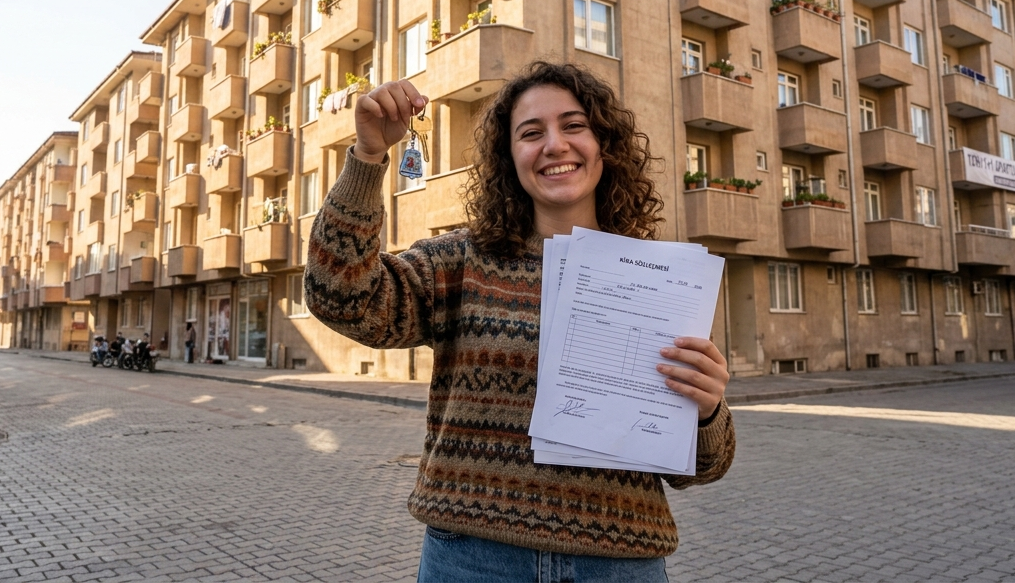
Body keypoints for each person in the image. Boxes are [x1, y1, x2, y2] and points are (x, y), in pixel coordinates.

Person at [306, 62, 735, 581]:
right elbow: (340, 299)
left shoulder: (660, 281)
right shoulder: (460, 261)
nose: (555, 145)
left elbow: (703, 468)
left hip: (620, 562)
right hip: (472, 558)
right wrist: (369, 155)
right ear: (509, 158)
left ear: (604, 146)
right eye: (531, 133)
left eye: (574, 126)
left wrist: (707, 411)